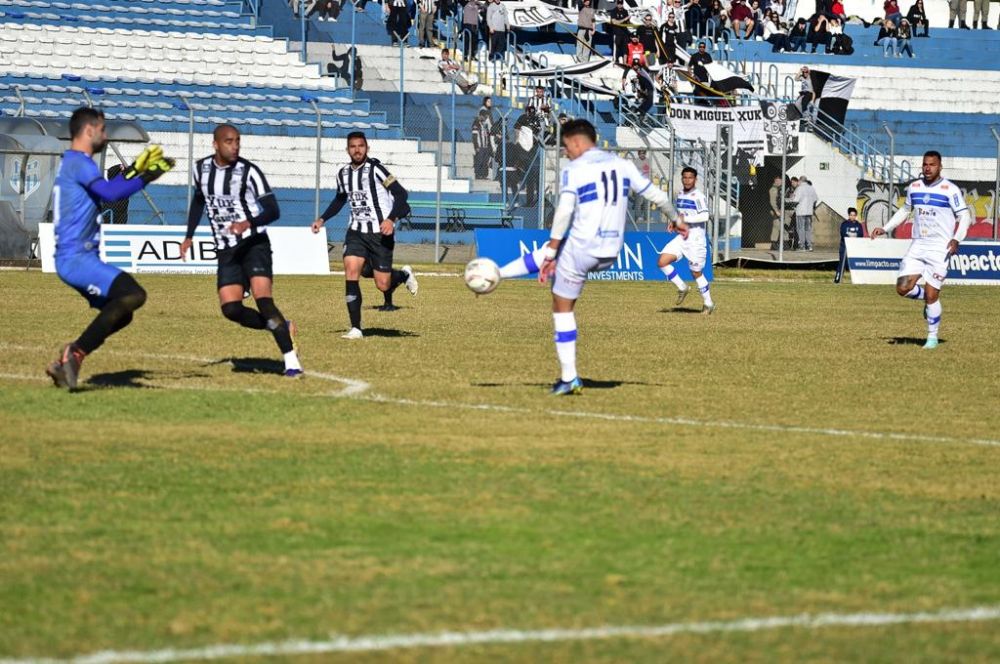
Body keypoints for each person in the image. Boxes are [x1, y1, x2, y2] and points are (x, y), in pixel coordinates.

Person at [491, 119, 680, 395]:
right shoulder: (622, 164)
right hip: (611, 250)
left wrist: (553, 252)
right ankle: (499, 274)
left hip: (582, 248)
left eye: (566, 146)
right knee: (558, 261)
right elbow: (658, 195)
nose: (566, 152)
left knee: (562, 306)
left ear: (578, 142)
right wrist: (677, 219)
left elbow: (565, 211)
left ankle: (569, 377)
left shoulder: (576, 169)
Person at [45, 108, 173, 390]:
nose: (105, 135)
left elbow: (108, 187)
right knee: (133, 294)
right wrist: (148, 176)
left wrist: (135, 170)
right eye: (102, 129)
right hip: (76, 258)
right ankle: (74, 353)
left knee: (123, 312)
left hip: (79, 258)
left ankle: (67, 361)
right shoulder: (80, 163)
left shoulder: (77, 163)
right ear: (89, 131)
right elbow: (111, 194)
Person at [180, 124, 302, 378]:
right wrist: (189, 236)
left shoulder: (249, 172)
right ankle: (282, 326)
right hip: (227, 250)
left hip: (254, 243)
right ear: (215, 144)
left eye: (237, 141)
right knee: (231, 309)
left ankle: (291, 361)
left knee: (263, 299)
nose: (234, 146)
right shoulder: (200, 170)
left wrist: (249, 222)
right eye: (228, 141)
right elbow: (199, 200)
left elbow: (273, 210)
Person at [311, 132, 417, 339]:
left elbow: (401, 194)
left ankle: (403, 275)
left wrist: (391, 219)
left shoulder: (376, 170)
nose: (357, 150)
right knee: (351, 271)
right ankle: (356, 328)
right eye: (353, 146)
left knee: (383, 284)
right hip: (356, 232)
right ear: (347, 149)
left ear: (367, 148)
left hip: (380, 234)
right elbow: (340, 199)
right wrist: (322, 219)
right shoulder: (342, 174)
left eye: (361, 146)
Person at [871, 151, 971, 349]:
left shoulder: (950, 190)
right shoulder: (914, 187)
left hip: (940, 248)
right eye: (925, 164)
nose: (928, 168)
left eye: (932, 165)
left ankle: (932, 338)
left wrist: (956, 238)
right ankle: (926, 299)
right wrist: (885, 228)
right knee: (902, 288)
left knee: (932, 295)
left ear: (940, 166)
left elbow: (965, 216)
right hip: (918, 244)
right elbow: (905, 210)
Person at [658, 167, 715, 314]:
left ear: (695, 179)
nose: (687, 180)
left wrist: (685, 219)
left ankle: (708, 304)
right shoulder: (681, 194)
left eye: (690, 178)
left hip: (696, 241)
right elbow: (681, 214)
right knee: (662, 262)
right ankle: (682, 287)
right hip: (682, 238)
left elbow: (705, 216)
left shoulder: (699, 196)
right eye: (685, 177)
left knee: (696, 273)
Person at [834, 207, 864, 283]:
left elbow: (860, 234)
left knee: (855, 263)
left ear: (856, 216)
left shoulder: (859, 225)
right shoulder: (844, 224)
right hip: (844, 247)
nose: (852, 217)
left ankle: (857, 280)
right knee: (842, 264)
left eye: (854, 215)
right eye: (851, 215)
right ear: (849, 215)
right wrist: (853, 235)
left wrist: (853, 236)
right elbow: (843, 234)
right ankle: (837, 279)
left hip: (854, 247)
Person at [790, 175, 818, 251]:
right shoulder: (811, 188)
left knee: (800, 229)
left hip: (801, 211)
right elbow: (816, 199)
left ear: (800, 181)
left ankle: (801, 246)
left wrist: (792, 198)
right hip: (809, 212)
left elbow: (795, 200)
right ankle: (809, 246)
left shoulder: (799, 189)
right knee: (808, 229)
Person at [768, 175, 791, 249]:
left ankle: (784, 244)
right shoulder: (773, 189)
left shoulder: (780, 189)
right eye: (779, 180)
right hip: (777, 210)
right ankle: (774, 244)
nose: (780, 182)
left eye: (781, 180)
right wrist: (776, 211)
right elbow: (772, 202)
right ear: (775, 181)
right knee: (777, 226)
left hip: (781, 210)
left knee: (782, 226)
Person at [472, 108, 494, 178]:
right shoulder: (476, 124)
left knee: (485, 162)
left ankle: (484, 175)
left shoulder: (485, 125)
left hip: (486, 146)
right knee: (479, 161)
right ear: (481, 116)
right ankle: (478, 175)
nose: (485, 118)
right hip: (480, 146)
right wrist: (476, 147)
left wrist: (489, 146)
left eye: (486, 117)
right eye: (484, 116)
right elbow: (474, 136)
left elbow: (488, 135)